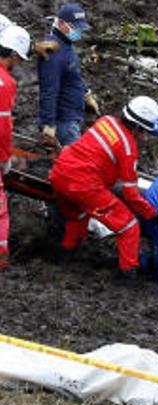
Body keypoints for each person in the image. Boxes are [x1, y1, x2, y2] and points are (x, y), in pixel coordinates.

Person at [48, 96, 158, 277]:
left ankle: (64, 257)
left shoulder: (105, 121)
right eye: (145, 132)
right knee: (129, 226)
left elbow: (97, 156)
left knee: (78, 215)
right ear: (137, 128)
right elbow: (131, 195)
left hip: (60, 173)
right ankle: (128, 274)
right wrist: (153, 214)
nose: (146, 138)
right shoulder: (128, 147)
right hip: (83, 185)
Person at [37, 3, 99, 151]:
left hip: (74, 115)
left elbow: (73, 75)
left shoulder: (66, 44)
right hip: (64, 121)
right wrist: (48, 124)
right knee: (74, 167)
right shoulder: (52, 52)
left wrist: (86, 94)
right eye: (75, 27)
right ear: (62, 24)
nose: (78, 32)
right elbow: (49, 90)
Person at [0, 25, 30, 270]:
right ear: (12, 54)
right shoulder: (6, 83)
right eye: (19, 59)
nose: (19, 64)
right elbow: (3, 128)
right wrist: (5, 158)